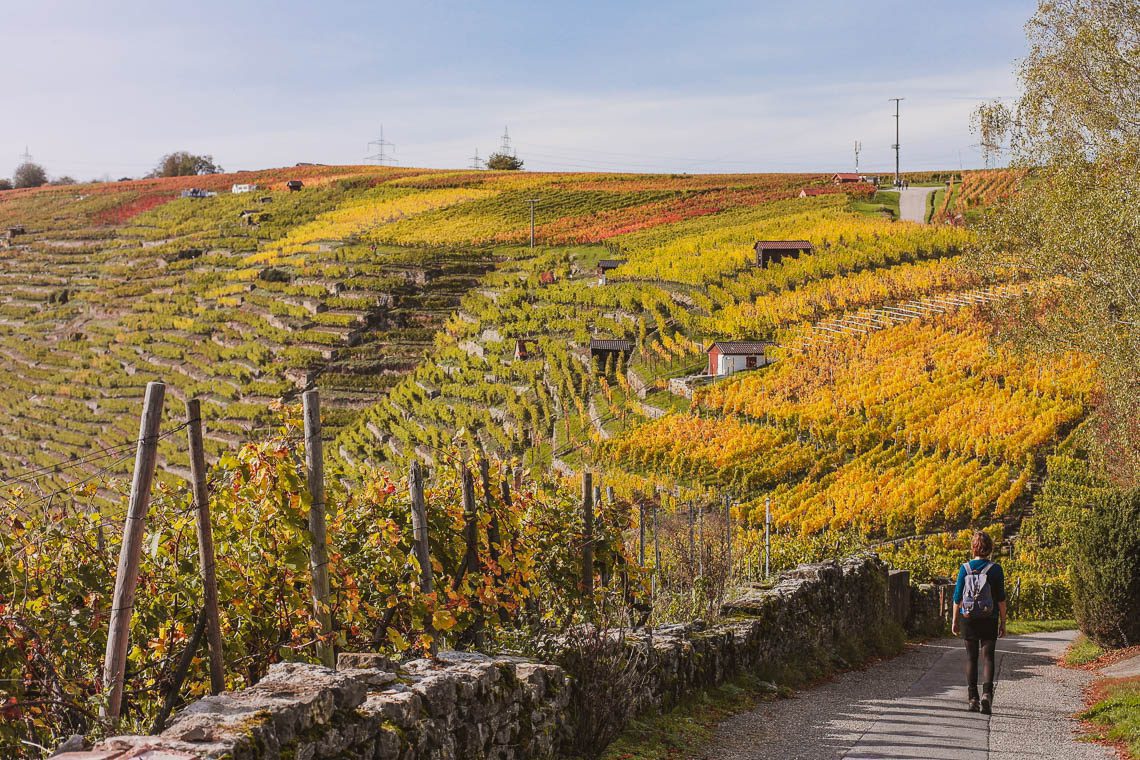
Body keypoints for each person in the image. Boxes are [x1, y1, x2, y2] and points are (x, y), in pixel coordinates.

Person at [951, 531, 1007, 714]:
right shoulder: (996, 569)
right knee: (988, 657)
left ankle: (972, 698)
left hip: (968, 618)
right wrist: (1003, 622)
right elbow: (1001, 599)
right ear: (990, 548)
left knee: (971, 657)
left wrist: (954, 620)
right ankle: (987, 695)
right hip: (989, 617)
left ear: (973, 547)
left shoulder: (964, 568)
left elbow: (957, 597)